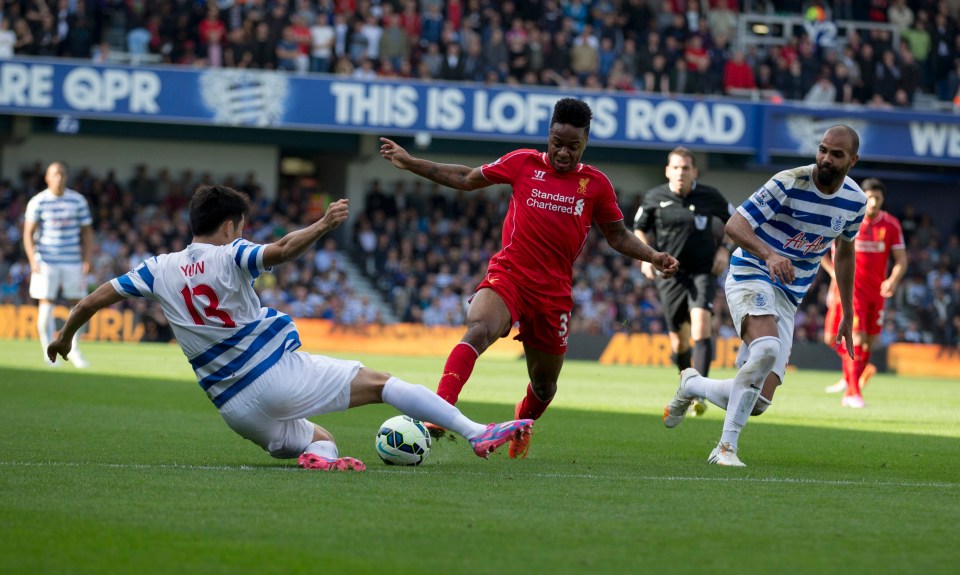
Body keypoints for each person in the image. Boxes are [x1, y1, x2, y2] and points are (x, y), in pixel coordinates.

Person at [47, 185, 533, 471]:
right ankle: (475, 432)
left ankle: (319, 462)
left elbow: (95, 297)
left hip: (235, 410)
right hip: (275, 377)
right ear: (232, 224)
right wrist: (321, 225)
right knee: (385, 384)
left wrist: (65, 335)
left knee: (321, 440)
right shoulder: (231, 253)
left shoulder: (158, 268)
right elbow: (277, 252)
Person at [379, 98, 680, 459]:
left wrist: (653, 255)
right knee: (478, 330)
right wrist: (411, 162)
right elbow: (465, 178)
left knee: (544, 384)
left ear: (585, 144)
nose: (563, 152)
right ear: (548, 135)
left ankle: (521, 424)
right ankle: (439, 413)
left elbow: (616, 235)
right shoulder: (522, 162)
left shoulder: (595, 184)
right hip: (509, 274)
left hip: (553, 294)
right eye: (557, 143)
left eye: (573, 146)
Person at [662, 125, 867, 467]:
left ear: (853, 160)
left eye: (836, 154)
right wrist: (769, 255)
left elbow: (845, 254)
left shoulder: (855, 201)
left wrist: (847, 309)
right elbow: (734, 225)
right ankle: (725, 449)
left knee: (756, 402)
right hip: (751, 272)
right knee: (767, 349)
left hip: (789, 295)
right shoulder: (789, 181)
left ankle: (692, 384)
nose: (825, 159)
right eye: (822, 150)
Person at [633, 146, 736, 417]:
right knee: (679, 343)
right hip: (669, 274)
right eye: (676, 167)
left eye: (685, 168)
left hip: (703, 271)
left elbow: (736, 221)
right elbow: (639, 229)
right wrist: (646, 257)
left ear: (694, 171)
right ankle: (686, 384)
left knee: (701, 326)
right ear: (668, 171)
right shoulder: (655, 197)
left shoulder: (709, 196)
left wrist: (724, 249)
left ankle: (699, 392)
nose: (680, 172)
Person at [821, 178, 907, 407]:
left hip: (876, 293)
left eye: (877, 198)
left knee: (869, 342)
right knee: (848, 337)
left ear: (882, 200)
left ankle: (853, 376)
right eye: (868, 197)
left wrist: (893, 280)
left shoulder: (891, 225)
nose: (872, 202)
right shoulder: (849, 219)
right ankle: (852, 392)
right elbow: (825, 251)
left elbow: (901, 260)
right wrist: (833, 278)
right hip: (852, 291)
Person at [23, 162, 94, 368]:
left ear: (67, 176)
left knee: (80, 305)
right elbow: (27, 232)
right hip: (46, 260)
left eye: (62, 173)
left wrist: (87, 259)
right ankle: (48, 351)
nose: (59, 177)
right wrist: (32, 259)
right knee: (46, 303)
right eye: (55, 174)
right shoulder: (38, 201)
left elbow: (87, 232)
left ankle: (74, 349)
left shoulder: (77, 200)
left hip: (72, 260)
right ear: (47, 178)